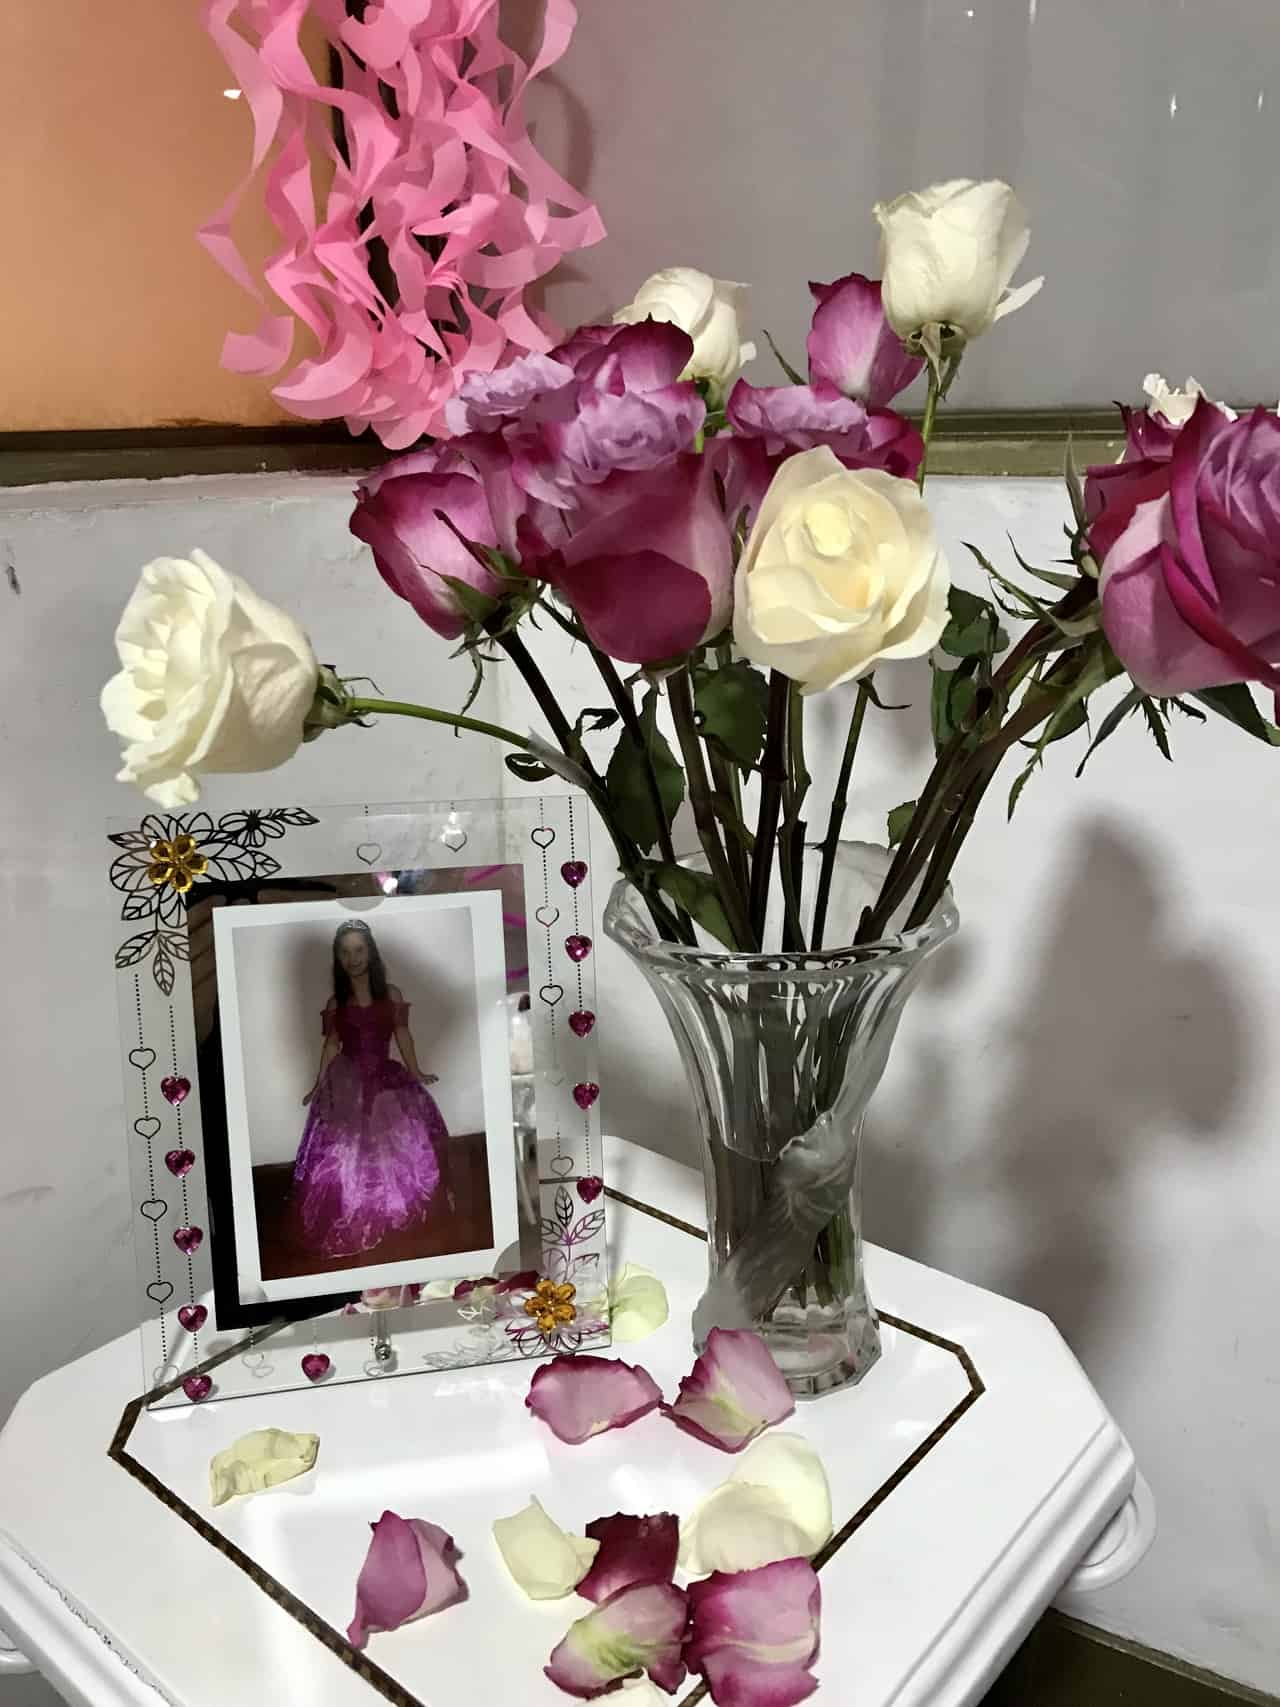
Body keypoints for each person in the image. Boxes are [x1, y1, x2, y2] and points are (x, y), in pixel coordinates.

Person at [291, 920, 446, 1258]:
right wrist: (317, 1085)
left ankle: (395, 1214)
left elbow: (403, 1035)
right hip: (345, 1079)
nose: (353, 958)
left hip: (386, 1077)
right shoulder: (336, 1002)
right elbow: (331, 1045)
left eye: (359, 949)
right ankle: (355, 1211)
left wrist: (416, 1071)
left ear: (371, 952)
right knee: (344, 1148)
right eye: (345, 952)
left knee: (400, 1139)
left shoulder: (391, 994)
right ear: (338, 958)